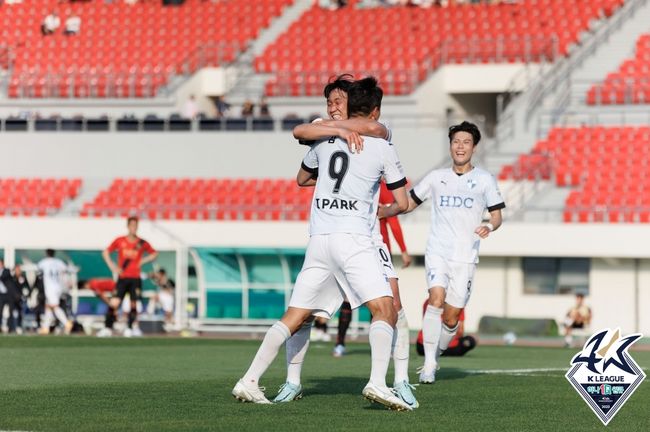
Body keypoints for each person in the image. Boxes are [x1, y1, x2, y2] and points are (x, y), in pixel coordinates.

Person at [233, 77, 412, 411]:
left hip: (320, 239)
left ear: (350, 103)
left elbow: (302, 170)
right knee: (385, 309)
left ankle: (250, 380)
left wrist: (335, 133)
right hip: (354, 238)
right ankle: (378, 382)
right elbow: (401, 201)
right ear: (374, 109)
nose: (332, 106)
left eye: (339, 100)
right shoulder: (376, 140)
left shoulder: (323, 138)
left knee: (295, 315)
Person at [379, 120, 504, 384]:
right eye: (456, 141)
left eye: (466, 142)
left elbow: (497, 215)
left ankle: (437, 352)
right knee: (435, 299)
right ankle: (428, 364)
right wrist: (384, 210)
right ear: (450, 146)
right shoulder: (436, 178)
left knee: (452, 318)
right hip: (437, 250)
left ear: (474, 147)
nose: (460, 146)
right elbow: (409, 203)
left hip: (465, 256)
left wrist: (488, 226)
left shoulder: (484, 180)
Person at [100, 216, 158, 337]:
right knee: (114, 302)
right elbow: (105, 252)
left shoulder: (142, 243)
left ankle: (131, 328)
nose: (134, 228)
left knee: (133, 304)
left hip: (135, 278)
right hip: (123, 277)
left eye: (135, 226)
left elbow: (154, 253)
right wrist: (112, 267)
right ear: (128, 226)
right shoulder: (120, 240)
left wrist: (142, 261)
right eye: (131, 225)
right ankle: (107, 327)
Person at [37, 249, 73, 335]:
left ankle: (67, 323)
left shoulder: (44, 262)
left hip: (50, 287)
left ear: (46, 254)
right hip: (58, 286)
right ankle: (46, 328)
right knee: (48, 306)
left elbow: (37, 268)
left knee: (54, 306)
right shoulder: (59, 262)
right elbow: (66, 270)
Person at [0, 258, 19, 333]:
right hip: (1, 295)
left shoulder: (6, 271)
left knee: (11, 311)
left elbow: (4, 276)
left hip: (9, 294)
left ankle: (11, 328)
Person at [12, 264, 31, 333]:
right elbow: (11, 288)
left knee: (20, 313)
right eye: (17, 269)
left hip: (21, 299)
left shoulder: (23, 278)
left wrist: (26, 294)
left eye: (19, 269)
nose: (18, 271)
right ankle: (14, 326)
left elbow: (28, 287)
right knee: (14, 313)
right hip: (14, 299)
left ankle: (19, 326)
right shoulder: (12, 278)